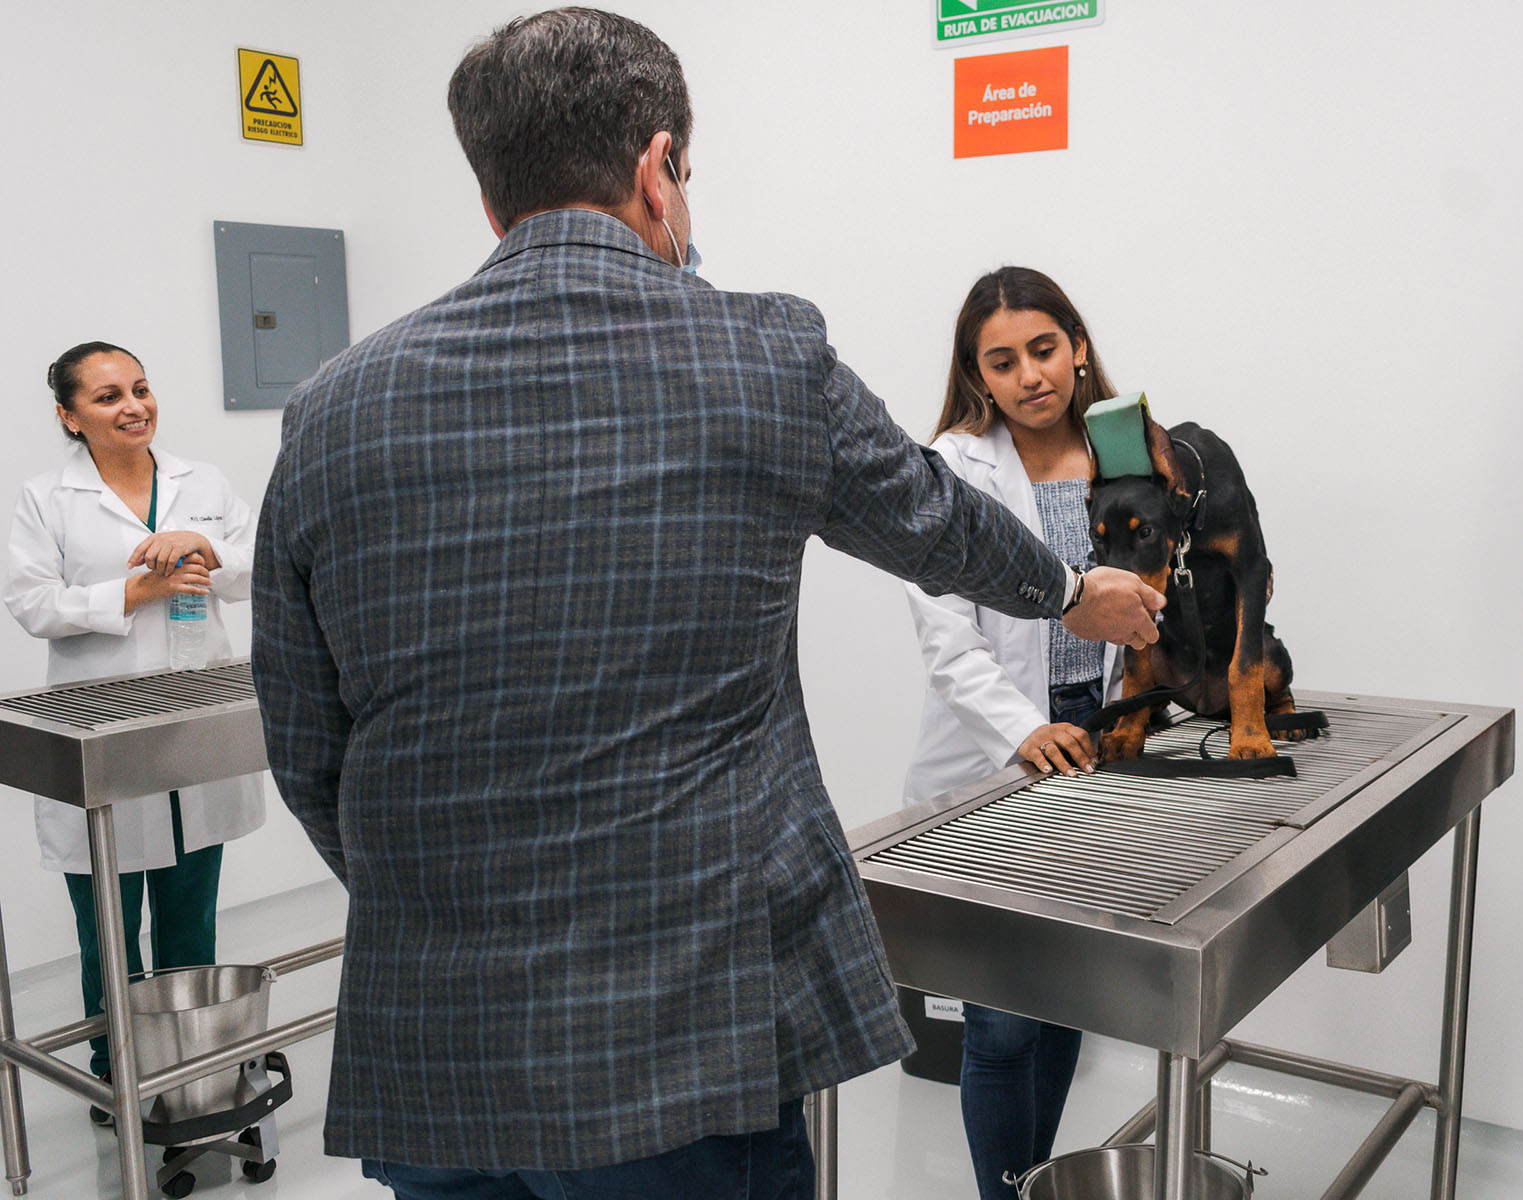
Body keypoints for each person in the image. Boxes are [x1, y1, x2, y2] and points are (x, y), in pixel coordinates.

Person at [248, 9, 1163, 1199]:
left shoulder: (331, 406)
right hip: (681, 1040)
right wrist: (1068, 591)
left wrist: (435, 899)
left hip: (436, 1047)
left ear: (491, 200)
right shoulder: (759, 352)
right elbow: (927, 517)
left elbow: (305, 738)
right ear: (658, 167)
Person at [903, 266, 1122, 1200]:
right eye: (1003, 361)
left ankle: (1040, 1184)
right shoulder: (953, 469)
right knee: (997, 1019)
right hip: (1004, 755)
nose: (1030, 375)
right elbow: (949, 643)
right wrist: (1029, 733)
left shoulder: (1131, 452)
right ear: (976, 375)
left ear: (1075, 345)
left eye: (1043, 349)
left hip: (1106, 750)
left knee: (1069, 992)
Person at [4, 342, 263, 1123]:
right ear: (69, 416)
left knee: (192, 914)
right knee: (108, 929)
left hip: (192, 727)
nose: (133, 407)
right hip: (103, 732)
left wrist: (206, 548)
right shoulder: (46, 498)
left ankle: (198, 1065)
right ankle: (113, 1072)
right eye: (109, 396)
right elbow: (33, 603)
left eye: (141, 389)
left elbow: (262, 563)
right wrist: (134, 590)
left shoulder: (203, 483)